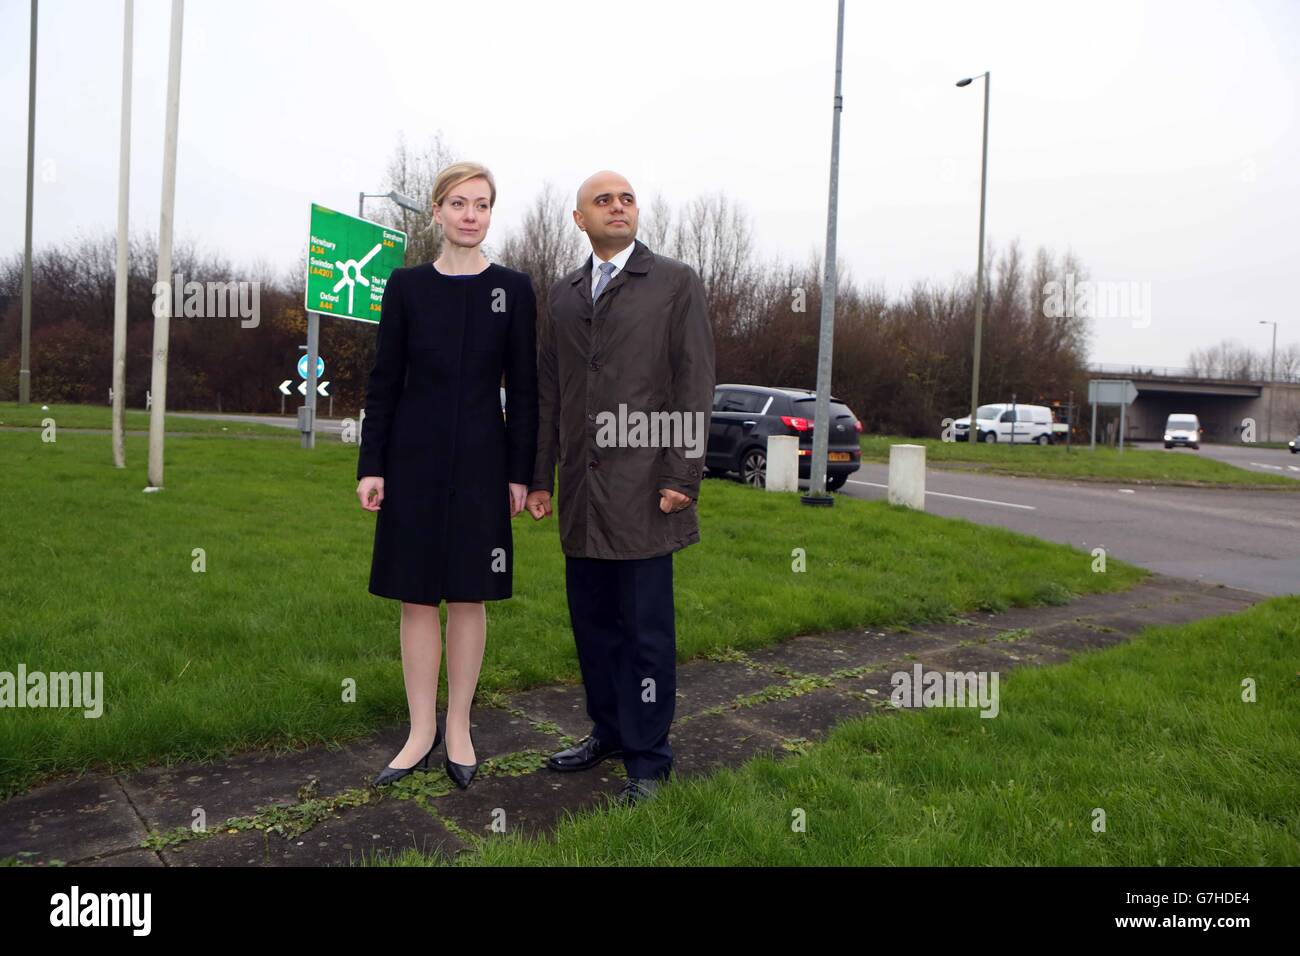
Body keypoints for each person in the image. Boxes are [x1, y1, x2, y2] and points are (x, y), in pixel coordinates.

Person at [526, 170, 715, 806]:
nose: (617, 207)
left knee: (646, 634)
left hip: (645, 491)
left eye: (627, 198)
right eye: (602, 200)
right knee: (594, 629)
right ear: (579, 220)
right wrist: (539, 477)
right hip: (581, 494)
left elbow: (693, 383)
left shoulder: (674, 283)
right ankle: (607, 731)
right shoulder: (563, 294)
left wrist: (682, 474)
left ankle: (649, 759)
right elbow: (550, 391)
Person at [356, 161, 538, 790]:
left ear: (490, 214)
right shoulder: (406, 287)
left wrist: (521, 473)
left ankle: (458, 726)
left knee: (468, 593)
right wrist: (371, 464)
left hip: (486, 463)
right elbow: (384, 382)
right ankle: (419, 733)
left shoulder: (513, 289)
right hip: (412, 462)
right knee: (415, 596)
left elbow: (527, 390)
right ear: (436, 211)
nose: (470, 215)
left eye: (481, 205)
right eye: (458, 204)